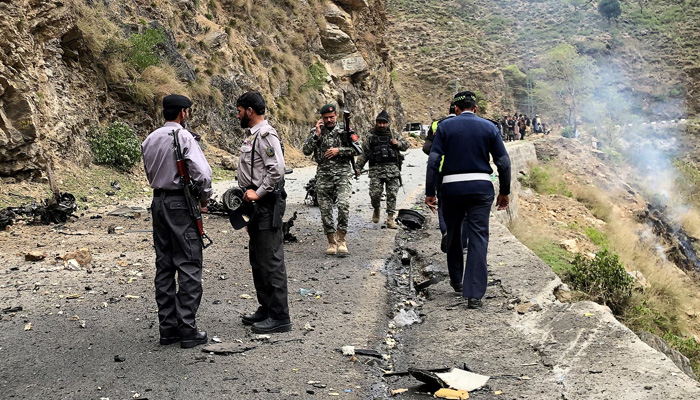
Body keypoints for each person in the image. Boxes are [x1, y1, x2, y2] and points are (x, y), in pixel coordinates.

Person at [426, 91, 511, 309]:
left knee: (453, 233)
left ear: (455, 109)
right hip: (480, 188)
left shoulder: (444, 127)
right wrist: (505, 191)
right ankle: (473, 295)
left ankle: (456, 280)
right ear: (475, 109)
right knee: (478, 237)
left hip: (451, 189)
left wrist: (430, 191)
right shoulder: (489, 127)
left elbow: (434, 160)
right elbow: (503, 161)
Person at [142, 94, 212, 348]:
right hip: (180, 204)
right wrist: (203, 199)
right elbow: (203, 174)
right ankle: (187, 329)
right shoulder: (183, 137)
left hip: (158, 203)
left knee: (164, 265)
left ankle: (168, 328)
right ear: (183, 113)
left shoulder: (149, 139)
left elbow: (150, 172)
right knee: (189, 263)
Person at [235, 91, 291, 334]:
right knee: (258, 259)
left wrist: (258, 193)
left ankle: (280, 316)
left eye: (239, 110)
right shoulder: (253, 137)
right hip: (255, 204)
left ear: (249, 110)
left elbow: (277, 169)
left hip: (266, 202)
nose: (237, 115)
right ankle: (266, 308)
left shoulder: (266, 135)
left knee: (270, 260)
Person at [302, 104, 359, 256]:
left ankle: (341, 239)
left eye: (331, 117)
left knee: (343, 204)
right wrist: (316, 136)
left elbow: (357, 149)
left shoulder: (345, 131)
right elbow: (306, 151)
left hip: (342, 175)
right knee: (325, 209)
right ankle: (331, 242)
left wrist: (339, 151)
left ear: (336, 116)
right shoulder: (316, 132)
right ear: (322, 118)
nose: (329, 120)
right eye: (326, 118)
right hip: (323, 176)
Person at [424, 103, 469, 253]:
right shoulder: (466, 124)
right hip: (462, 170)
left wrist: (439, 152)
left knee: (443, 205)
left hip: (440, 171)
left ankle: (446, 232)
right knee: (465, 206)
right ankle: (463, 242)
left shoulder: (437, 124)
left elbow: (426, 148)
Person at [355, 110, 409, 229]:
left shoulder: (393, 134)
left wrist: (398, 143)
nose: (381, 125)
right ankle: (376, 208)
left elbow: (406, 144)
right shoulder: (370, 136)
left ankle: (390, 219)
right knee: (374, 194)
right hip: (376, 170)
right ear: (376, 122)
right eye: (379, 122)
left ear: (387, 123)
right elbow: (364, 153)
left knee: (392, 195)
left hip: (392, 170)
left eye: (384, 123)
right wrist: (358, 167)